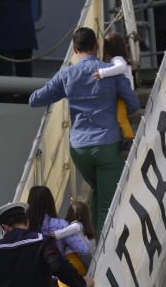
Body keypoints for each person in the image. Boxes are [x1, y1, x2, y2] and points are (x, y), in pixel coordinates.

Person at [29, 27, 140, 235]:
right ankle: (100, 252)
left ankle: (92, 240)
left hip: (79, 148)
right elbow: (133, 103)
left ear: (74, 48)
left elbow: (35, 100)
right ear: (96, 47)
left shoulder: (67, 74)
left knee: (97, 190)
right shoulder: (109, 72)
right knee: (108, 202)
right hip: (107, 145)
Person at [26, 185, 92, 287]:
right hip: (60, 281)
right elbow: (82, 250)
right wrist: (90, 268)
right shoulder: (60, 225)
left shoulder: (25, 230)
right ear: (50, 202)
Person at [93, 32, 136, 147]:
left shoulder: (118, 59)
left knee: (120, 117)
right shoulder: (121, 59)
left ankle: (130, 138)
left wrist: (102, 73)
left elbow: (120, 68)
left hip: (123, 96)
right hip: (121, 94)